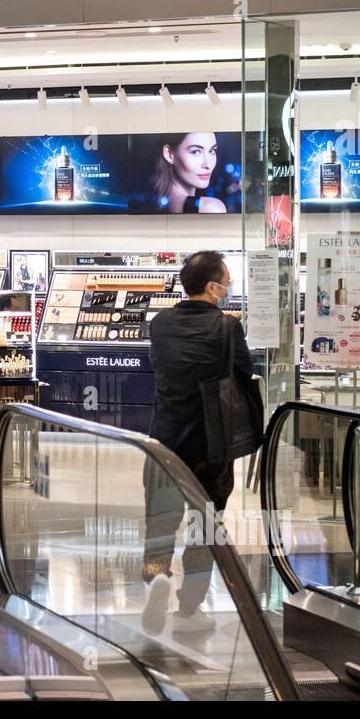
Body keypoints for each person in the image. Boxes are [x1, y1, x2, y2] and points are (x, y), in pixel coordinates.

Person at [140, 250, 252, 635]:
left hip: (163, 440)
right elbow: (244, 372)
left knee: (160, 522)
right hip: (210, 445)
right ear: (212, 287)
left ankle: (156, 579)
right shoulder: (227, 327)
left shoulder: (160, 323)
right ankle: (189, 609)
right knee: (204, 526)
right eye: (227, 279)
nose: (229, 286)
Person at [129, 132, 226, 214]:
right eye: (196, 152)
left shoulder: (152, 202)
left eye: (212, 151)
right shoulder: (210, 207)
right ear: (169, 154)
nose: (208, 164)